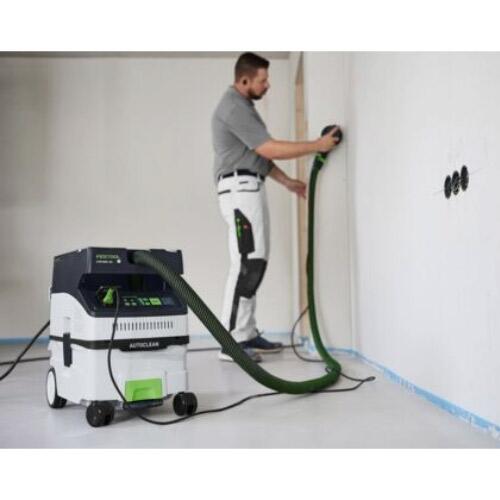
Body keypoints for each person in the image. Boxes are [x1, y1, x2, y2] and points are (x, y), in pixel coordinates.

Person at [211, 52, 339, 362]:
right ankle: (231, 343)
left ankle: (245, 332)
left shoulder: (244, 108)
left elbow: (258, 157)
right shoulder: (233, 107)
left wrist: (288, 183)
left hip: (248, 186)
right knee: (246, 263)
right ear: (244, 80)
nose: (267, 85)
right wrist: (317, 145)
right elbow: (268, 149)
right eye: (263, 80)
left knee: (254, 262)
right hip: (240, 190)